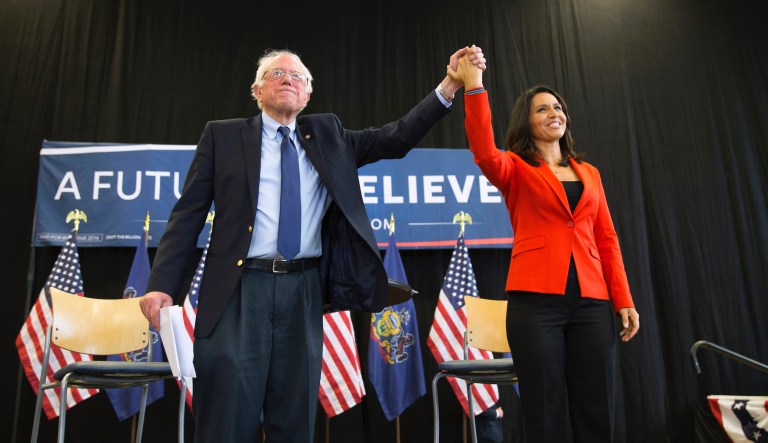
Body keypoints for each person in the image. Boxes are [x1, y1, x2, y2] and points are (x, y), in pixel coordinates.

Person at [138, 46, 486, 442]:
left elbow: (398, 136)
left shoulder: (328, 134)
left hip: (302, 289)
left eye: (297, 76)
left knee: (293, 413)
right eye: (276, 74)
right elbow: (188, 214)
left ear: (307, 95)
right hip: (238, 290)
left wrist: (450, 85)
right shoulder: (223, 136)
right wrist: (162, 283)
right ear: (256, 90)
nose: (288, 79)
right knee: (227, 412)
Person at [449, 50, 640, 442]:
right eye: (542, 109)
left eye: (558, 107)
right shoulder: (516, 169)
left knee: (596, 409)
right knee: (544, 409)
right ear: (527, 121)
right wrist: (474, 86)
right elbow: (484, 151)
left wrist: (623, 299)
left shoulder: (590, 173)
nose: (554, 113)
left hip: (592, 302)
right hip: (535, 304)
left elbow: (606, 238)